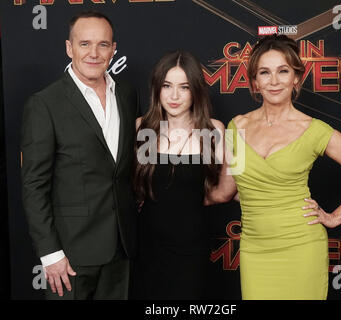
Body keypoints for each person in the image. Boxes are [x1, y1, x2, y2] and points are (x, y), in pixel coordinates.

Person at [206, 34, 341, 300]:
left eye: (283, 71)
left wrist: (334, 217)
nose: (274, 81)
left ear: (296, 78)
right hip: (256, 251)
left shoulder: (313, 130)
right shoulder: (237, 127)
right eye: (265, 72)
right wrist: (170, 195)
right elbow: (226, 190)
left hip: (302, 248)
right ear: (254, 81)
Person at [20, 11, 139, 300]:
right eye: (84, 44)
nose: (94, 53)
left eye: (102, 44)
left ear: (113, 49)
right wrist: (50, 254)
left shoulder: (126, 94)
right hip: (70, 254)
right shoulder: (45, 104)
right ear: (69, 48)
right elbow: (34, 185)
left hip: (121, 247)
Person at [133, 50, 224, 299]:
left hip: (192, 247)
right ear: (157, 89)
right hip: (148, 246)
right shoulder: (143, 127)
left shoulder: (214, 130)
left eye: (184, 87)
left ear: (196, 90)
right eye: (167, 86)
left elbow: (230, 188)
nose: (174, 96)